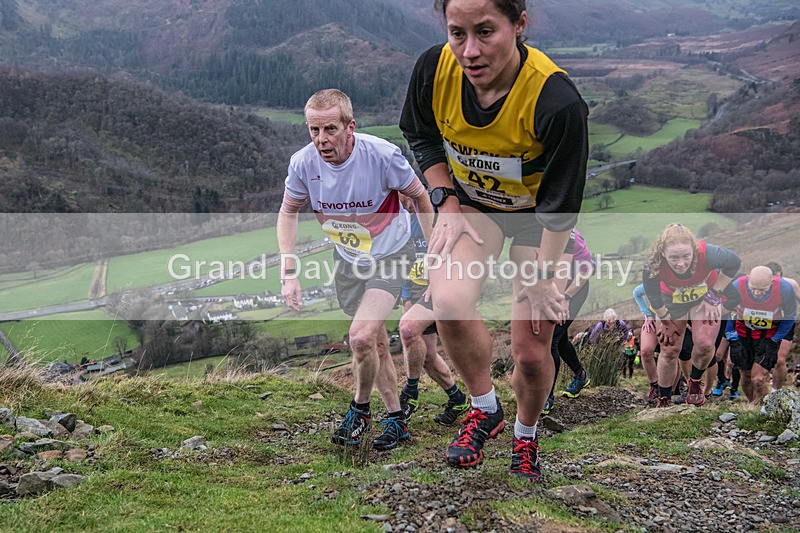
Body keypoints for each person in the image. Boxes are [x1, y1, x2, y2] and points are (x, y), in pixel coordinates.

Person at [400, 0, 589, 481]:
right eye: (457, 33)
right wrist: (445, 200)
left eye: (485, 32)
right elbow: (421, 135)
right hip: (474, 207)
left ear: (519, 23)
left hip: (537, 220)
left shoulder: (556, 101)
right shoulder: (434, 68)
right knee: (448, 301)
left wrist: (544, 277)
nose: (469, 51)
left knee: (531, 351)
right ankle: (485, 409)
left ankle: (526, 437)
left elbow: (561, 203)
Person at [278, 89, 434, 450]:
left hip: (392, 254)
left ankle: (359, 410)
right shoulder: (303, 164)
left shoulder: (381, 155)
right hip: (348, 260)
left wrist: (433, 256)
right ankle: (396, 418)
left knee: (360, 337)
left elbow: (420, 196)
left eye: (330, 129)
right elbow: (288, 212)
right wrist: (289, 271)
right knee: (375, 343)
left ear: (351, 127)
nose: (321, 140)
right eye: (314, 130)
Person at [643, 223, 741, 407]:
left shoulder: (707, 253)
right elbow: (654, 297)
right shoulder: (653, 265)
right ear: (663, 253)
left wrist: (714, 295)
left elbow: (734, 262)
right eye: (674, 258)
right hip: (672, 300)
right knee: (669, 348)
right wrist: (665, 322)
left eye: (686, 256)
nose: (681, 264)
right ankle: (664, 398)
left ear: (694, 251)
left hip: (703, 298)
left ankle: (694, 384)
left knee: (705, 344)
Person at [397, 198, 470, 425]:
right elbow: (403, 263)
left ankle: (411, 393)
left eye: (404, 196)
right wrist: (406, 296)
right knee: (427, 355)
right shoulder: (399, 221)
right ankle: (457, 399)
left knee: (462, 350)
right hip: (418, 292)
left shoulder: (438, 214)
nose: (402, 203)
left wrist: (441, 280)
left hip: (447, 287)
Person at [726, 265, 797, 403]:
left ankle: (762, 409)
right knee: (746, 377)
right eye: (753, 288)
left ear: (772, 282)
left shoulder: (784, 289)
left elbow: (790, 317)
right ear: (748, 279)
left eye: (762, 290)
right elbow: (726, 312)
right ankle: (752, 407)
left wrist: (776, 340)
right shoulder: (737, 285)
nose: (757, 293)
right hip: (744, 334)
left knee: (758, 379)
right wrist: (732, 338)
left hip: (768, 336)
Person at [544, 228, 593, 414]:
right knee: (560, 339)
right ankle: (581, 376)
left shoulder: (573, 236)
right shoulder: (534, 229)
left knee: (552, 340)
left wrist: (567, 297)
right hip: (551, 289)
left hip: (574, 290)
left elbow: (587, 270)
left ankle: (547, 396)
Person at [764, 262, 800, 391]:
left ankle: (776, 391)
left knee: (780, 360)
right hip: (766, 323)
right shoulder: (760, 285)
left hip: (786, 322)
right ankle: (760, 389)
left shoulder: (791, 284)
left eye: (777, 278)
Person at [633, 283, 662, 403]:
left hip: (674, 316)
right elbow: (637, 293)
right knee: (645, 351)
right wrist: (648, 314)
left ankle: (671, 388)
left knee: (670, 353)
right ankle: (654, 386)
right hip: (654, 316)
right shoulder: (652, 281)